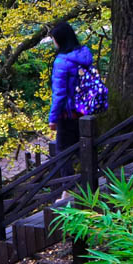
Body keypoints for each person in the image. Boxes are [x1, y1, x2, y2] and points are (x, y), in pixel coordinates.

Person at [48, 22, 93, 174]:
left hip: (68, 113)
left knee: (63, 151)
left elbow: (59, 94)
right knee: (85, 146)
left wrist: (53, 118)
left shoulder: (62, 62)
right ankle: (97, 177)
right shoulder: (85, 54)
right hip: (86, 109)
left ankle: (67, 189)